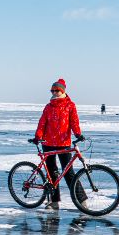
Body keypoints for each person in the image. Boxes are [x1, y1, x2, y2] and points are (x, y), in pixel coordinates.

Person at [32, 77, 85, 209]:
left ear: (62, 91)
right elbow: (42, 123)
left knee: (68, 173)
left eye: (57, 90)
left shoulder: (70, 105)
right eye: (52, 91)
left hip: (63, 143)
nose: (54, 93)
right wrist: (38, 136)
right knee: (52, 173)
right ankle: (54, 202)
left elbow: (74, 122)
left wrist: (78, 133)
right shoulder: (48, 107)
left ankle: (81, 200)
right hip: (48, 142)